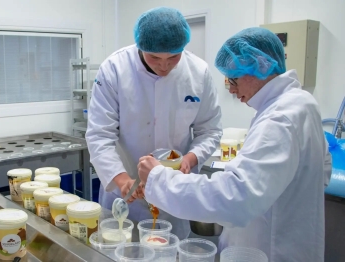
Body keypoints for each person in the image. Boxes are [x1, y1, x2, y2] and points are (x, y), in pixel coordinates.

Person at [138, 27, 332, 261]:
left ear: (260, 67)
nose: (230, 89)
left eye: (234, 79)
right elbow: (323, 172)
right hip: (290, 242)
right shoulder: (302, 103)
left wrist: (159, 178)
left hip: (271, 250)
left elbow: (235, 197)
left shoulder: (280, 118)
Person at [85, 6, 222, 239]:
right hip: (126, 192)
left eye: (173, 57)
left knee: (169, 249)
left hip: (173, 190)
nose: (164, 66)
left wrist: (191, 158)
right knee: (121, 248)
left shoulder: (198, 72)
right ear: (141, 47)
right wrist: (123, 181)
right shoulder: (115, 69)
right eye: (155, 57)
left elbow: (209, 130)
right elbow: (99, 135)